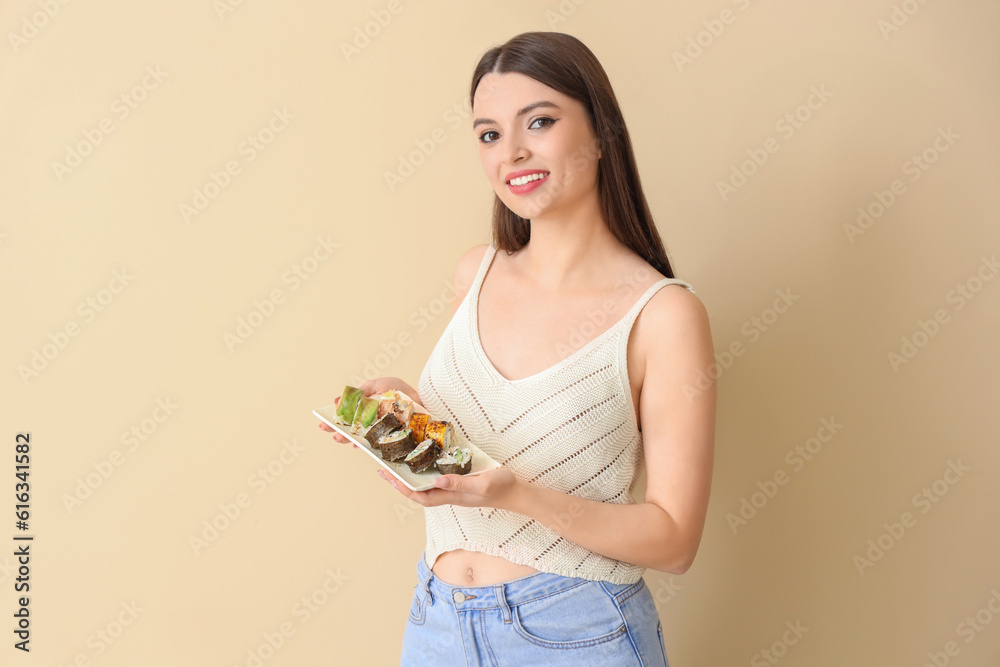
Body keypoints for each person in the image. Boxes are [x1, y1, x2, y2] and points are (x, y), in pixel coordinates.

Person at [319, 31, 715, 666]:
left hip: (577, 633)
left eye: (540, 121)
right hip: (437, 624)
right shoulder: (474, 273)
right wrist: (407, 409)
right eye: (489, 134)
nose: (514, 152)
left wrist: (515, 496)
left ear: (601, 132)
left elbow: (674, 539)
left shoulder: (664, 315)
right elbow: (480, 444)